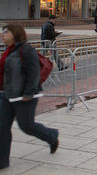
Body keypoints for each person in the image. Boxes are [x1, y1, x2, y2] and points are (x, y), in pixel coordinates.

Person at [1, 24, 60, 170]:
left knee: (26, 126)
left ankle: (51, 136)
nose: (2, 34)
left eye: (6, 32)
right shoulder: (7, 50)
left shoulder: (26, 50)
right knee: (1, 128)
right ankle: (2, 161)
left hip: (24, 96)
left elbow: (34, 73)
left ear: (15, 33)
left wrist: (29, 93)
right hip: (6, 94)